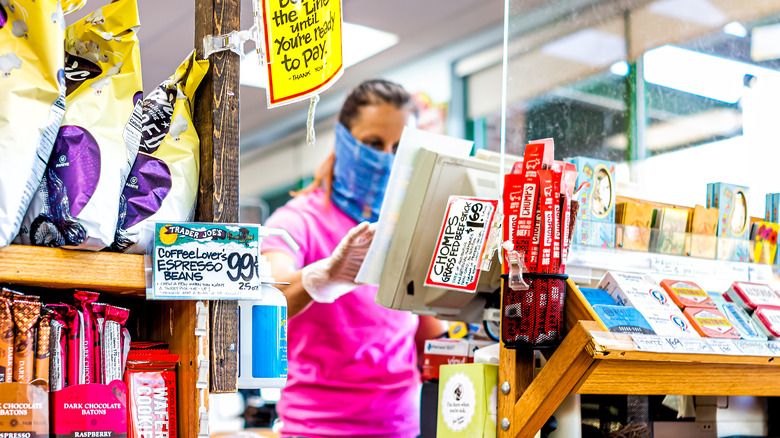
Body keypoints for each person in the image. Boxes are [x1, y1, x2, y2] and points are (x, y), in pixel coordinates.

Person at [261, 79, 444, 438]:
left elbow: (426, 338)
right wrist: (322, 277)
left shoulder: (405, 227)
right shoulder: (298, 221)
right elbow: (269, 298)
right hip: (317, 430)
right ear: (344, 140)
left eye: (398, 148)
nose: (385, 157)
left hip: (401, 428)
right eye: (373, 144)